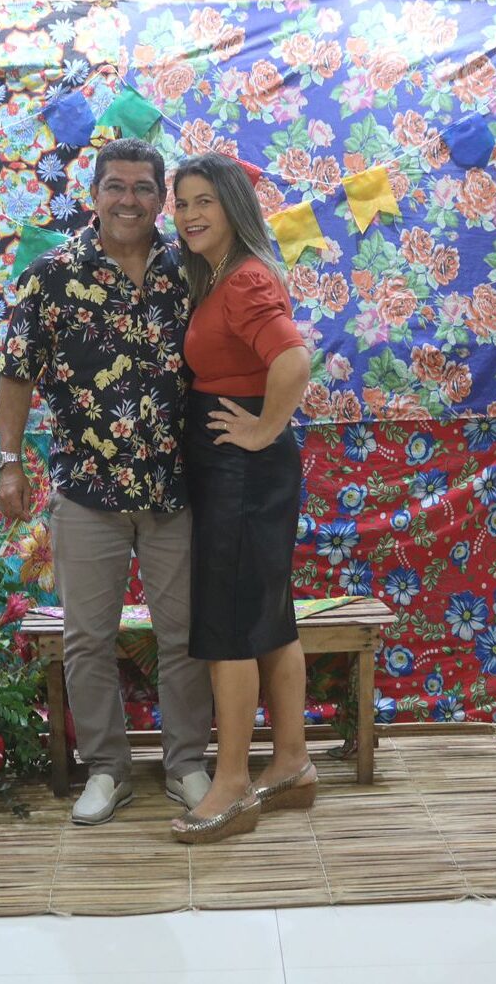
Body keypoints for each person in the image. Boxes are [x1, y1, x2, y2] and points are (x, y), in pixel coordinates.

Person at [0, 137, 213, 826]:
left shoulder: (192, 271)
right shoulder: (51, 275)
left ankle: (186, 764)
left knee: (184, 635)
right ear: (93, 194)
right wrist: (9, 461)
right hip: (86, 490)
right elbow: (16, 373)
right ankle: (107, 770)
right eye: (115, 186)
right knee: (88, 638)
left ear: (161, 199)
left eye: (144, 188)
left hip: (176, 488)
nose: (129, 199)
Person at [170, 152, 314, 844]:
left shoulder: (247, 278)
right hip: (238, 468)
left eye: (204, 201)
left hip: (241, 469)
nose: (189, 214)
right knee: (268, 616)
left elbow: (293, 358)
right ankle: (291, 764)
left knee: (228, 622)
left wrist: (261, 429)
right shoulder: (221, 276)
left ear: (233, 205)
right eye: (182, 203)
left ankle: (232, 783)